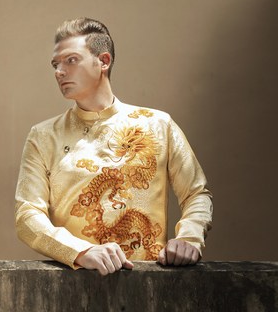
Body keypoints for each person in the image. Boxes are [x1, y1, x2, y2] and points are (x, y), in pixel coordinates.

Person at [15, 17, 213, 275]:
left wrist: (189, 238)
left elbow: (197, 193)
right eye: (55, 64)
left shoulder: (157, 125)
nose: (59, 71)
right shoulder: (43, 136)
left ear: (103, 61)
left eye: (71, 60)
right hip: (76, 280)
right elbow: (27, 215)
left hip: (151, 281)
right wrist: (80, 251)